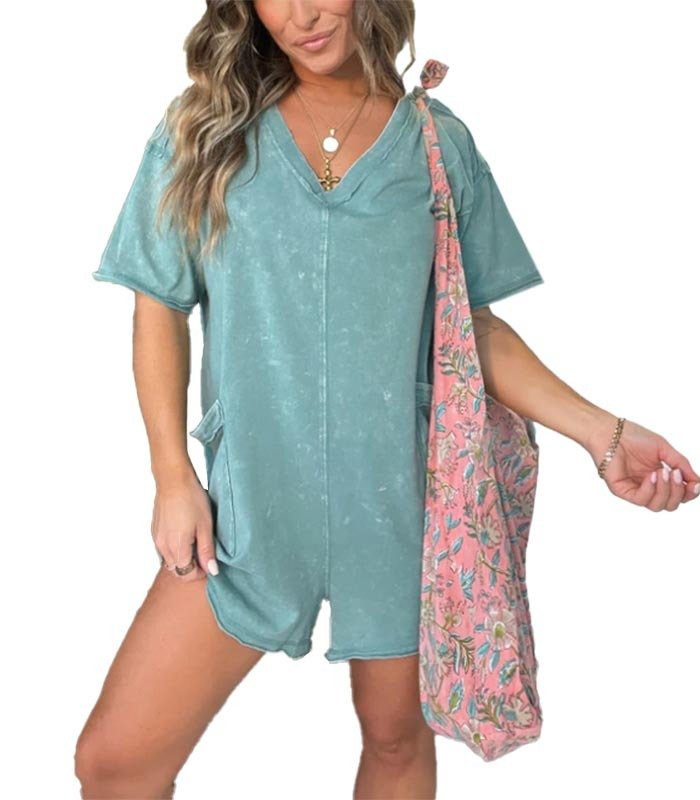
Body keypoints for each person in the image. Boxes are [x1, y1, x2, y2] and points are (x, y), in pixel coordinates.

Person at [74, 1, 700, 797]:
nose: (302, 14)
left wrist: (605, 435)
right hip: (247, 506)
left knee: (397, 740)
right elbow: (157, 305)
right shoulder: (205, 131)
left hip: (402, 503)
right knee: (114, 761)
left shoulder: (437, 145)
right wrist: (172, 475)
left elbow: (472, 330)